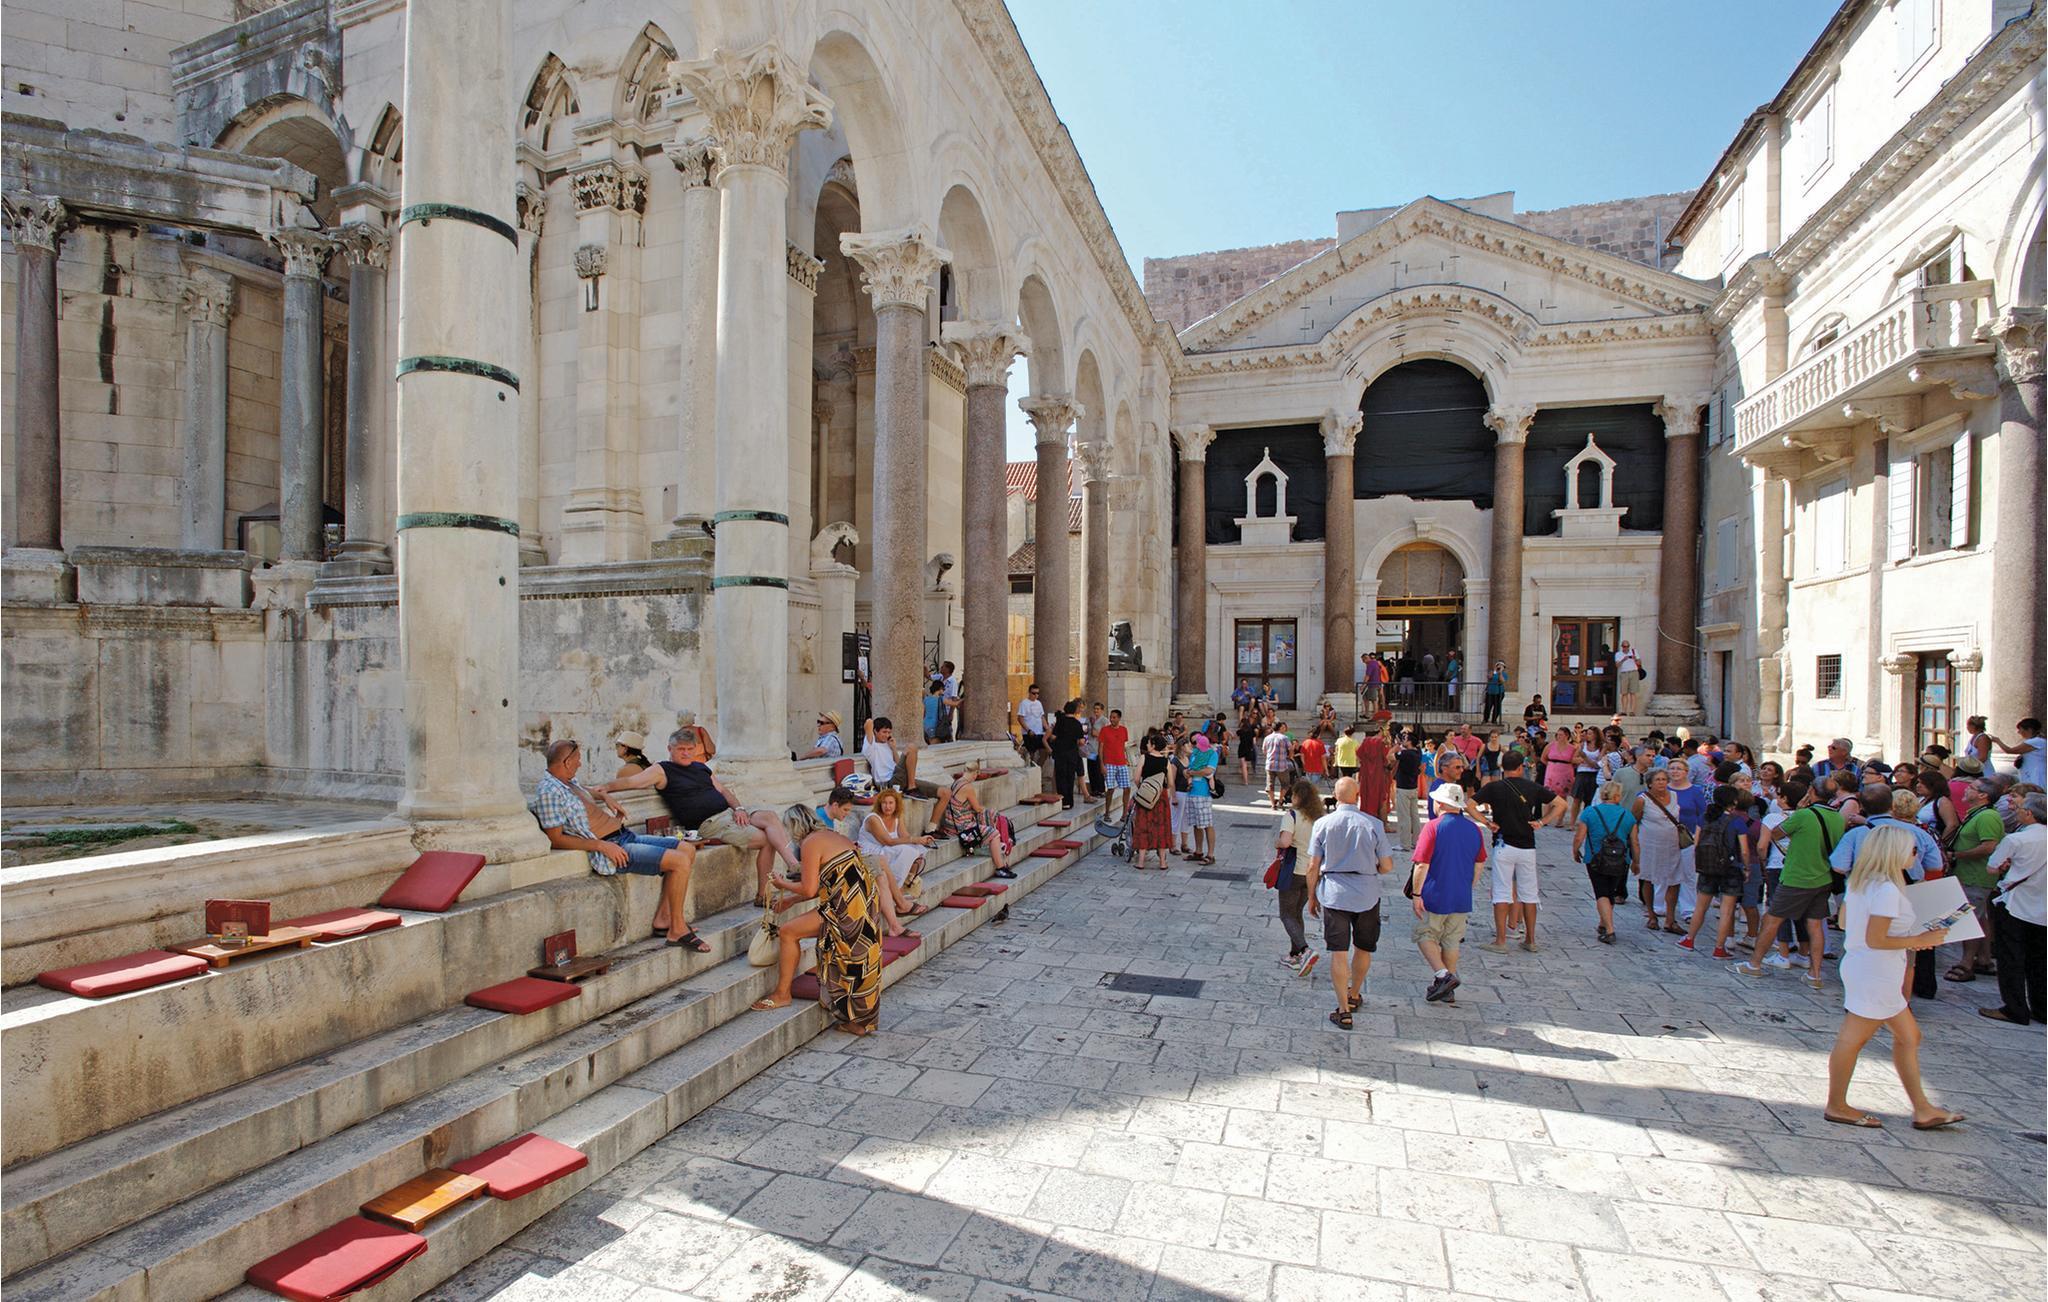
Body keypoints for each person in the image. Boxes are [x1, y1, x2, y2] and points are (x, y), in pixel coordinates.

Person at [1821, 826, 1963, 1130]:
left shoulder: (1862, 882)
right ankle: (1837, 1105)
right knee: (1853, 1039)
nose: (1916, 855)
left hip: (1867, 968)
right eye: (1913, 849)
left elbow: (1846, 922)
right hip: (1876, 972)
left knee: (1909, 1036)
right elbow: (1876, 939)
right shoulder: (1885, 889)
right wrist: (1918, 939)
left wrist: (1910, 938)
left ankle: (1922, 1108)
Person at [600, 726, 800, 913]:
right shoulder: (662, 769)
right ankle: (765, 893)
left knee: (770, 816)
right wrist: (606, 788)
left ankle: (792, 865)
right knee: (767, 840)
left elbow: (724, 791)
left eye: (690, 749)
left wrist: (739, 808)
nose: (686, 753)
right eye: (681, 749)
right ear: (670, 749)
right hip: (710, 822)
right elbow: (632, 781)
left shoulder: (700, 767)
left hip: (730, 813)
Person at [531, 739, 703, 950]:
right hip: (611, 847)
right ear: (566, 762)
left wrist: (605, 796)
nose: (580, 764)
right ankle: (677, 929)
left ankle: (664, 919)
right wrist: (601, 846)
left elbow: (588, 792)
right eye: (577, 759)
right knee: (679, 861)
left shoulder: (568, 782)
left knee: (687, 848)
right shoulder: (548, 792)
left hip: (625, 836)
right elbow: (556, 839)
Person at [750, 804, 882, 1035]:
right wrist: (792, 900)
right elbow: (828, 881)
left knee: (788, 932)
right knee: (857, 960)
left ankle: (782, 994)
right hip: (863, 904)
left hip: (846, 910)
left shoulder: (811, 843)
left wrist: (782, 884)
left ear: (794, 826)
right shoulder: (832, 836)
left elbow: (810, 888)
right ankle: (858, 1022)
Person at [1736, 779, 1845, 989]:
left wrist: (1799, 812)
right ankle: (1815, 974)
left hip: (1797, 875)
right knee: (1815, 924)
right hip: (1823, 876)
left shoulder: (1804, 815)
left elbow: (1777, 833)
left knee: (1772, 919)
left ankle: (1754, 963)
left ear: (1812, 791)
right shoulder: (1838, 817)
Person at [1305, 776, 1396, 1026]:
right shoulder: (1373, 824)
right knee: (1363, 947)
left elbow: (1313, 866)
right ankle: (1354, 993)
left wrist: (1311, 896)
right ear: (1358, 796)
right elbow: (1387, 865)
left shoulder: (1322, 824)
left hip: (1334, 893)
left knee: (1338, 953)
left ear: (1335, 795)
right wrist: (1371, 868)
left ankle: (1343, 1010)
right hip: (1367, 893)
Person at [1409, 782, 1488, 1004]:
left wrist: (1416, 894)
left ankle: (1444, 976)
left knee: (1425, 934)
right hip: (1461, 894)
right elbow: (1479, 863)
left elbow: (1422, 864)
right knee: (1452, 940)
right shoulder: (1474, 829)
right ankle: (1448, 989)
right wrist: (1469, 885)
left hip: (1435, 893)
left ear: (1441, 803)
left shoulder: (1433, 827)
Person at [1478, 750, 1562, 954]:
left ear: (1502, 767)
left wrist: (1487, 823)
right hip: (1527, 846)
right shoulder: (1532, 787)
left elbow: (1470, 804)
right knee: (1529, 893)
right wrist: (1542, 821)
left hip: (1503, 844)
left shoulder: (1494, 787)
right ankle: (1530, 939)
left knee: (1502, 892)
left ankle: (1501, 940)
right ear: (1520, 767)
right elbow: (1561, 804)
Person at [1982, 793, 2047, 1025]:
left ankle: (2015, 1007)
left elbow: (1992, 867)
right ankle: (2042, 1008)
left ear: (2029, 814)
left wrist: (2007, 866)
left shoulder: (2016, 839)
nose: (2017, 812)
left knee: (2011, 957)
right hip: (2043, 906)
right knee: (2039, 960)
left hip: (2016, 903)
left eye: (2020, 809)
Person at [1680, 785, 1754, 959]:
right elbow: (1744, 850)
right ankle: (1719, 948)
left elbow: (1697, 843)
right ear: (1734, 801)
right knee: (1726, 910)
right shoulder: (1737, 822)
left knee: (1700, 906)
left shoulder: (1704, 818)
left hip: (1708, 867)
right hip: (1731, 867)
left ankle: (1689, 939)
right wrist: (1747, 868)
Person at [1946, 779, 2006, 983]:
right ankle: (1984, 959)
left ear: (1983, 795)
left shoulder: (1988, 816)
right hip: (1970, 875)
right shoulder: (1978, 813)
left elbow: (1989, 846)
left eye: (1971, 787)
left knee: (1968, 919)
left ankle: (1966, 963)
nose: (1966, 789)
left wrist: (1957, 855)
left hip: (1976, 876)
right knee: (1980, 918)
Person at [856, 788, 935, 935]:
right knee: (908, 850)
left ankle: (903, 887)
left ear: (896, 804)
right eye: (884, 803)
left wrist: (919, 841)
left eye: (891, 803)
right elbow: (888, 841)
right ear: (879, 804)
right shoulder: (873, 819)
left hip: (887, 851)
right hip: (871, 851)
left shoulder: (897, 817)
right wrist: (916, 839)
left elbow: (905, 837)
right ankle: (899, 895)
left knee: (917, 850)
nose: (887, 806)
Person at [1573, 779, 1638, 943]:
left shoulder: (1590, 812)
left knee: (1601, 892)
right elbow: (1635, 842)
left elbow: (1579, 836)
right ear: (1618, 796)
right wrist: (1636, 861)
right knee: (1610, 891)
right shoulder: (1627, 815)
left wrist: (1575, 851)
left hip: (1596, 858)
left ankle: (1609, 930)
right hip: (1621, 859)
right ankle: (1603, 923)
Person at [1272, 779, 1321, 971]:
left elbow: (1285, 842)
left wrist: (1277, 843)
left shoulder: (1292, 815)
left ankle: (1305, 950)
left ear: (1297, 796)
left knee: (1286, 914)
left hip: (1293, 870)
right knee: (1296, 912)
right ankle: (1295, 955)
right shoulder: (1319, 818)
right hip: (1312, 872)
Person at [932, 768, 1017, 879]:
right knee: (994, 833)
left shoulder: (957, 782)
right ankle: (1000, 868)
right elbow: (977, 808)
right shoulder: (968, 787)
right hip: (960, 827)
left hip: (952, 822)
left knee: (990, 814)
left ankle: (996, 848)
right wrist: (985, 810)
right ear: (975, 774)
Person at [1633, 767, 1689, 934]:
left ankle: (1670, 919)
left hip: (1671, 845)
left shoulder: (1674, 796)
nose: (1661, 783)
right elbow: (1634, 821)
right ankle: (1651, 915)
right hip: (1649, 845)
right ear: (1650, 783)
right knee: (1648, 878)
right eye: (1657, 780)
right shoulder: (1642, 800)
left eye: (1664, 779)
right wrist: (1634, 845)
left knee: (1674, 879)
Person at [1131, 732, 1175, 870]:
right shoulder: (1166, 761)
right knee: (1161, 827)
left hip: (1146, 796)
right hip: (1161, 796)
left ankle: (1141, 862)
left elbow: (1136, 778)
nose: (1147, 745)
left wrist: (1143, 788)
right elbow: (1171, 782)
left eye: (1149, 743)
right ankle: (1162, 862)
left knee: (1143, 826)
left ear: (1154, 745)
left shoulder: (1144, 758)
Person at [1184, 734, 1219, 865]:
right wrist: (1186, 772)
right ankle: (1198, 852)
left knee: (1207, 824)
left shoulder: (1212, 754)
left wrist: (1192, 773)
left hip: (1203, 794)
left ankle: (1210, 855)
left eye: (1195, 743)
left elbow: (1208, 771)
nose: (1194, 745)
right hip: (1192, 792)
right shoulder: (1195, 753)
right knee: (1196, 824)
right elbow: (1189, 768)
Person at [861, 715, 919, 791]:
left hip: (898, 778)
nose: (887, 735)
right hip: (887, 782)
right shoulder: (871, 746)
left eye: (889, 732)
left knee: (935, 790)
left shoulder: (888, 744)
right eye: (884, 732)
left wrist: (894, 748)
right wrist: (872, 728)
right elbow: (869, 722)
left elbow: (898, 764)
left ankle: (912, 786)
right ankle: (911, 788)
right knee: (911, 747)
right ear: (875, 731)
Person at [1987, 717, 2048, 787]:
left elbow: (2009, 750)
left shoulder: (2035, 741)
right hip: (2029, 772)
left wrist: (1998, 741)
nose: (2019, 732)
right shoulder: (2036, 741)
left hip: (2035, 773)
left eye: (2020, 729)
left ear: (2029, 730)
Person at [1094, 708, 1131, 822]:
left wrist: (1127, 758)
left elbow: (1123, 746)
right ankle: (1107, 813)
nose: (1112, 719)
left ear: (1119, 718)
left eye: (1114, 717)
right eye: (1111, 717)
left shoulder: (1124, 730)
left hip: (1121, 762)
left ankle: (1124, 814)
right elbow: (1100, 748)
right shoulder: (1104, 730)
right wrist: (1101, 764)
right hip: (1109, 763)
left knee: (1127, 788)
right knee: (1110, 789)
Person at [1049, 699, 1086, 809]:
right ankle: (1070, 801)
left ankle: (1063, 802)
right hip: (1072, 754)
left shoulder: (1060, 722)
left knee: (1061, 777)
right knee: (1070, 777)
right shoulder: (1077, 724)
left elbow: (1053, 737)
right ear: (1074, 710)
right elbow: (1081, 741)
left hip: (1060, 754)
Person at [1262, 722, 1296, 810]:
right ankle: (1280, 800)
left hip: (1270, 764)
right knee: (1285, 784)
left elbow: (1264, 751)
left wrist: (1269, 757)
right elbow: (1290, 748)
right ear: (1280, 728)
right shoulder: (1284, 738)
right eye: (1283, 727)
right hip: (1282, 765)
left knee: (1270, 785)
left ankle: (1273, 804)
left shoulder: (1267, 738)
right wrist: (1290, 756)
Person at [1540, 729, 1577, 801]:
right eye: (1557, 735)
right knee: (1550, 794)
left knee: (1563, 794)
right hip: (1552, 772)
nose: (1558, 736)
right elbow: (1543, 758)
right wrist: (1551, 766)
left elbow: (1575, 761)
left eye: (1561, 735)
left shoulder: (1572, 748)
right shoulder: (1550, 745)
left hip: (1565, 772)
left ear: (1567, 736)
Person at [1014, 683, 1047, 761]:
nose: (1036, 695)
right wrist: (1028, 730)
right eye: (1033, 693)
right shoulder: (1024, 703)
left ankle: (1039, 766)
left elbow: (1042, 717)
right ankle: (1031, 765)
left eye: (1037, 693)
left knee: (1045, 750)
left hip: (1039, 732)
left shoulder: (1039, 703)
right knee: (1031, 753)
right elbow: (1020, 718)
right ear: (1029, 693)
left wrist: (1047, 727)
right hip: (1029, 733)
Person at [1615, 640, 1642, 714]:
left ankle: (1632, 711)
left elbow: (1639, 663)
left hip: (1633, 672)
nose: (1626, 648)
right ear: (1622, 647)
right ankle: (1624, 710)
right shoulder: (1618, 654)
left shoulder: (1634, 652)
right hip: (1624, 673)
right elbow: (1617, 665)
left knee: (1633, 692)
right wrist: (1623, 659)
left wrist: (1635, 659)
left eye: (1627, 646)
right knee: (1624, 693)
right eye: (1624, 646)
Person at [1298, 726, 1327, 791]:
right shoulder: (1320, 743)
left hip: (1308, 768)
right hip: (1317, 768)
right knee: (1314, 788)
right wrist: (1326, 769)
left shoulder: (1305, 742)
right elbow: (1323, 758)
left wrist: (1305, 764)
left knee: (1308, 786)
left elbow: (1302, 756)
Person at [922, 679, 945, 744]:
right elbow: (955, 704)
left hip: (926, 725)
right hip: (935, 726)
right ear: (940, 688)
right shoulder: (941, 699)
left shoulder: (926, 699)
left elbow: (923, 713)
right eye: (943, 689)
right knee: (935, 745)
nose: (944, 691)